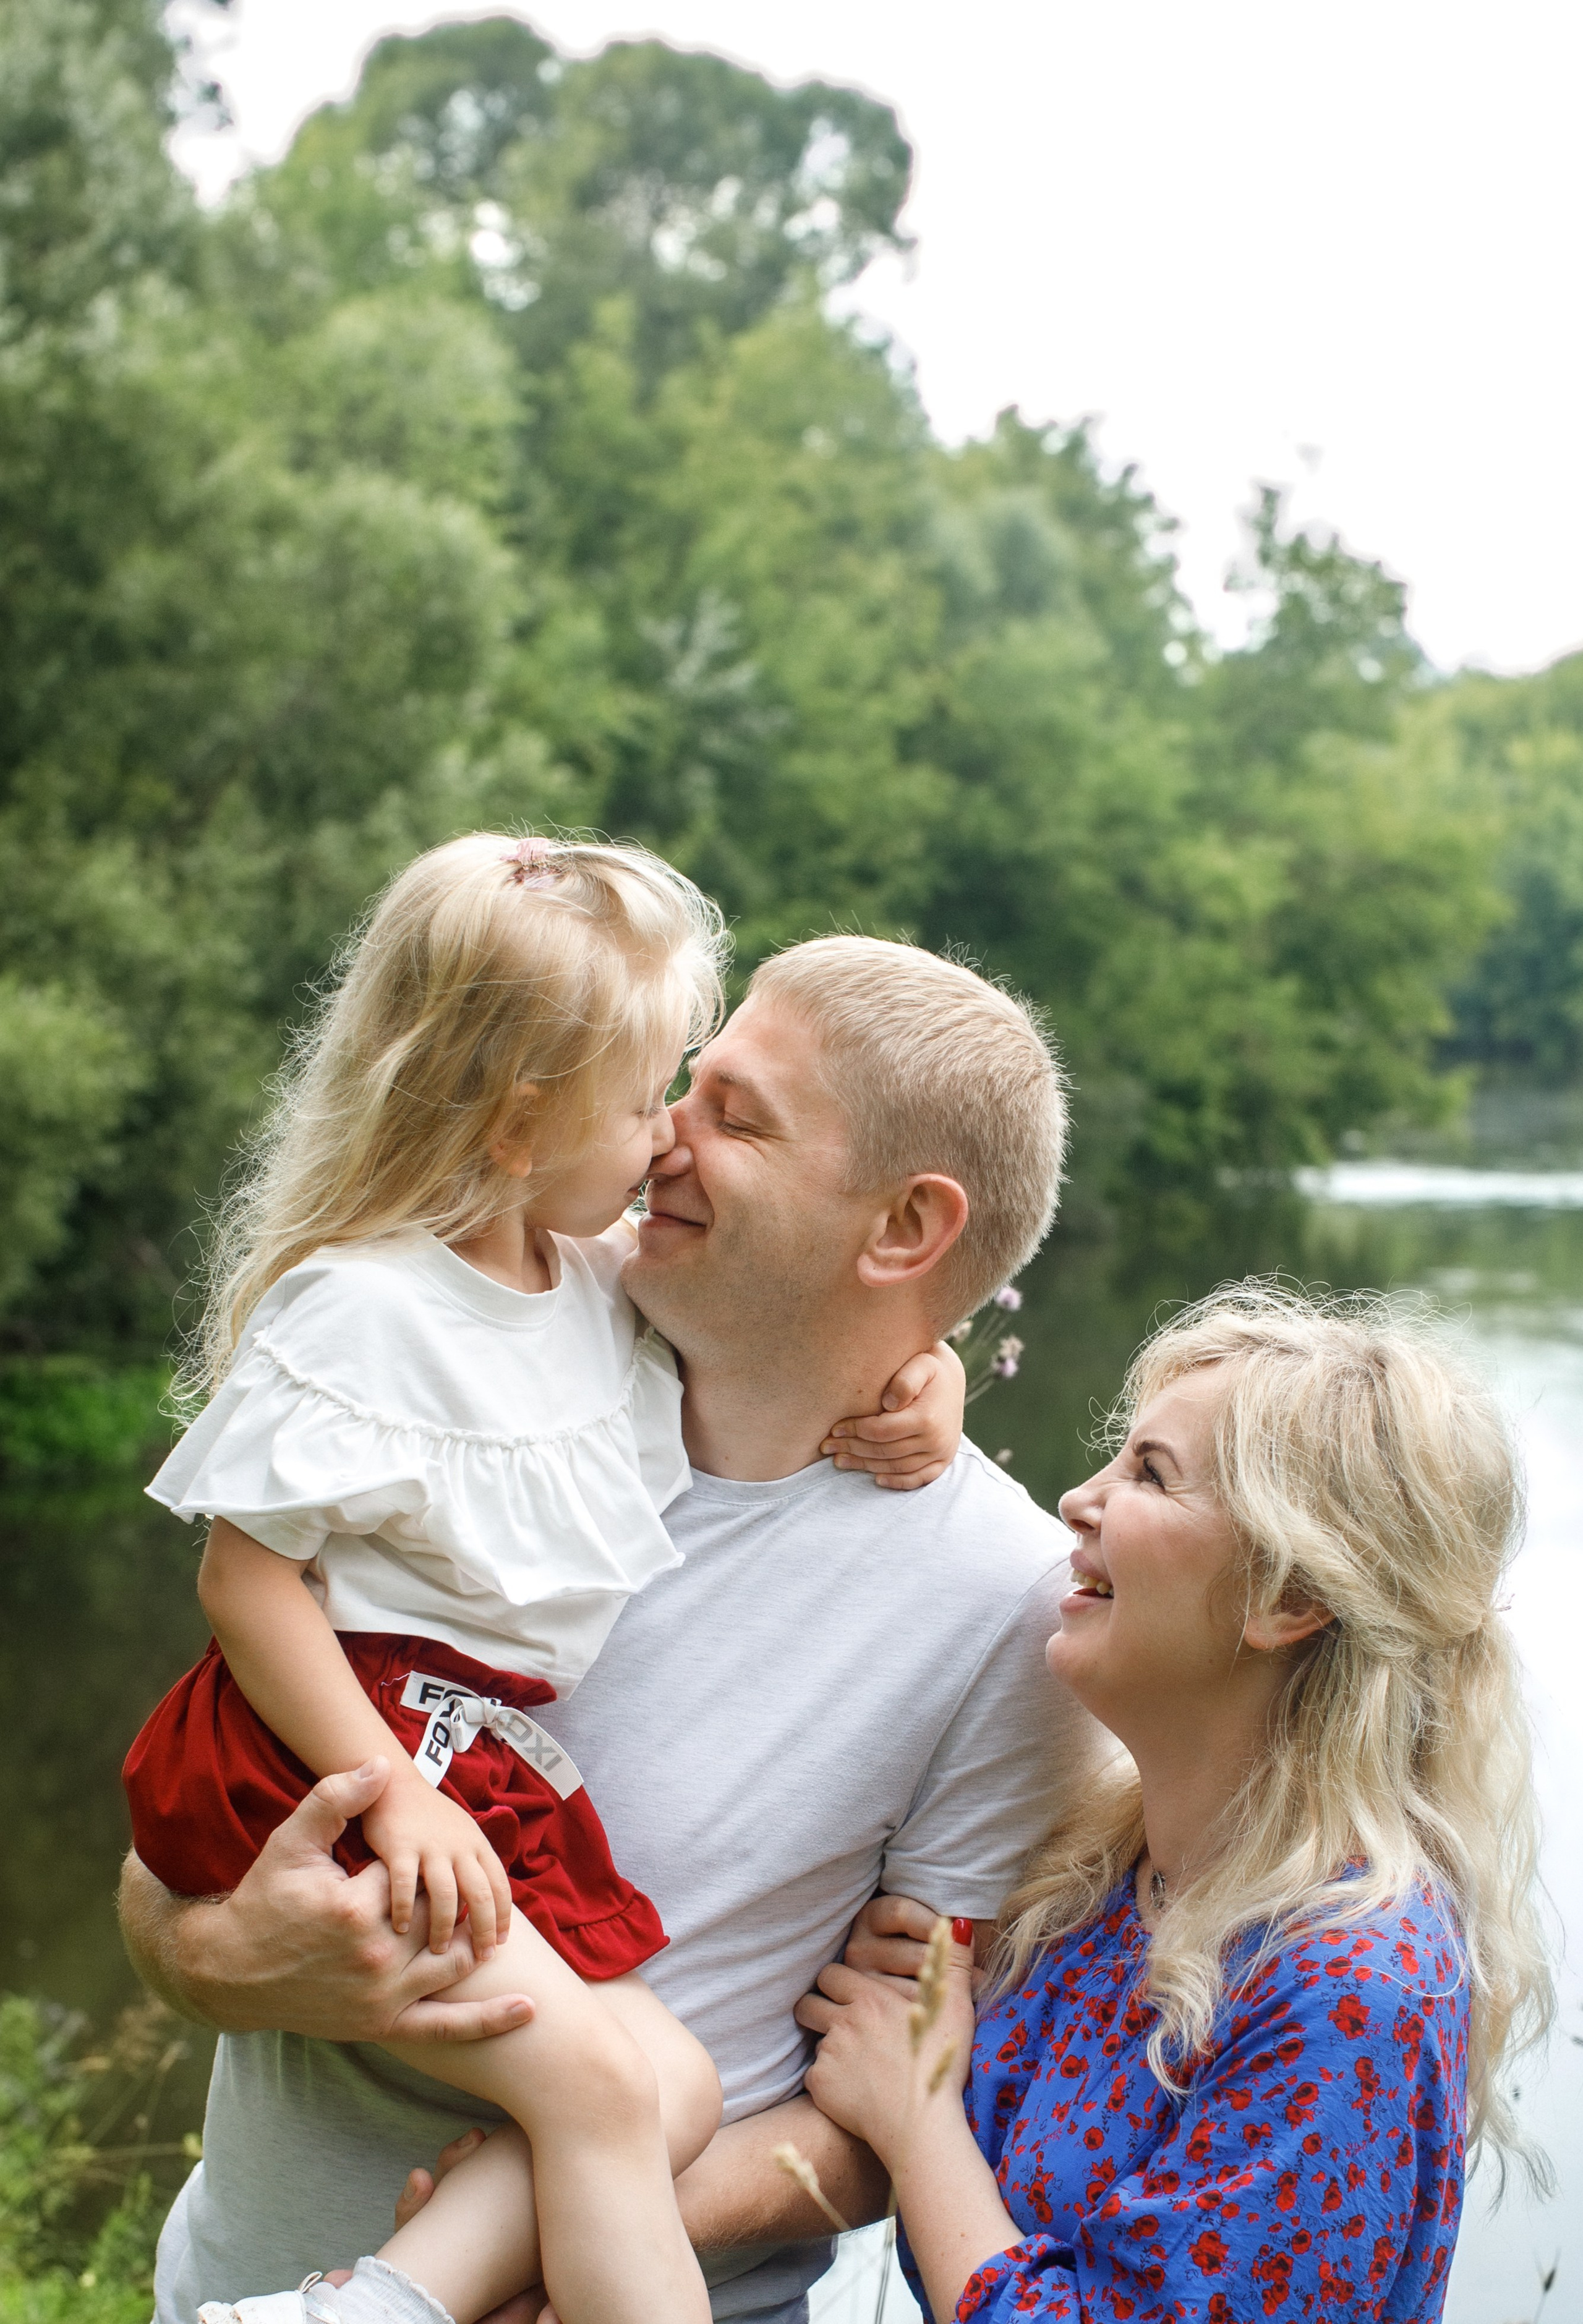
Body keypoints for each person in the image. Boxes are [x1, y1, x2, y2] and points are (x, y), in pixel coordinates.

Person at [120, 930, 1103, 2324]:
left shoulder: (1009, 1602)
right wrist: (221, 1956)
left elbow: (915, 2101)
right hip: (238, 2291)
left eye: (735, 1117)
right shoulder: (482, 1360)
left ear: (902, 1230)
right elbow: (198, 1806)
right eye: (680, 1086)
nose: (662, 1137)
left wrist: (553, 2242)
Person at [798, 1283, 1554, 2323]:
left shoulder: (1350, 1988)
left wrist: (921, 2120)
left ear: (1288, 1598)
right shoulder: (1106, 1879)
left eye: (1150, 1474)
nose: (1079, 1498)